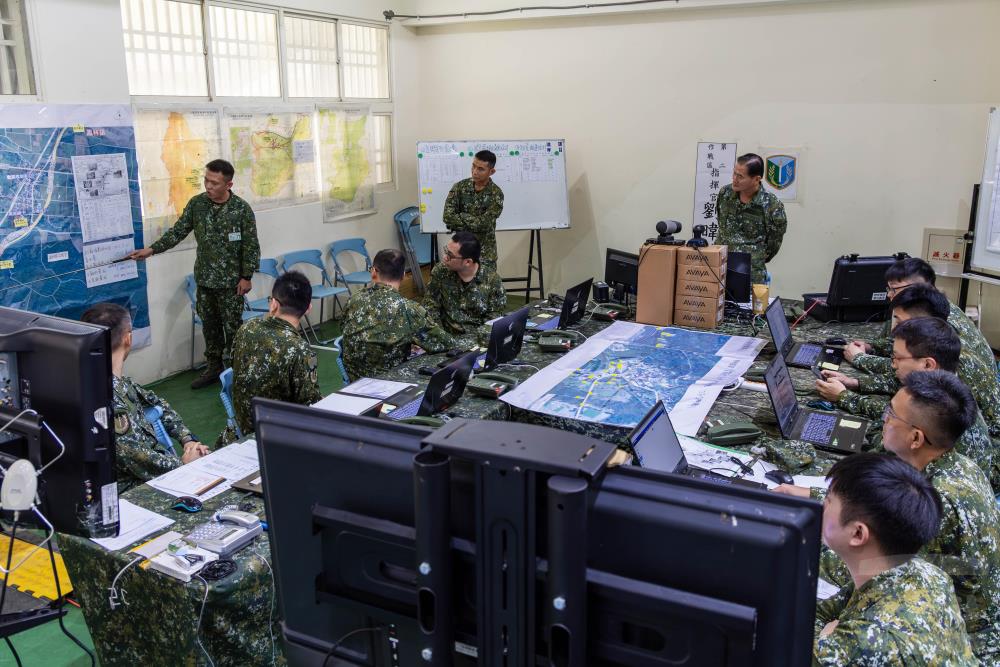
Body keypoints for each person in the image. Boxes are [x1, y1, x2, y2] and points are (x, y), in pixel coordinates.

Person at [783, 372, 1000, 662]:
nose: (884, 417)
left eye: (891, 413)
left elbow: (867, 556)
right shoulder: (956, 469)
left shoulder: (943, 502)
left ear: (916, 437)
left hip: (981, 643)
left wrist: (789, 545)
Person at [818, 284, 1000, 482]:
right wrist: (855, 384)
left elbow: (885, 459)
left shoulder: (944, 408)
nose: (892, 364)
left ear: (928, 364)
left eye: (897, 358)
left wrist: (847, 399)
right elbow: (897, 408)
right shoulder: (940, 385)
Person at [811, 452, 977, 665]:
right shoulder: (925, 573)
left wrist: (825, 637)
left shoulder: (869, 642)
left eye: (827, 502)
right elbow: (820, 611)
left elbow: (792, 652)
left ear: (858, 534)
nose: (820, 507)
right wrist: (825, 633)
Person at [128, 159, 260, 389]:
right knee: (210, 328)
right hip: (205, 281)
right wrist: (152, 249)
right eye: (206, 180)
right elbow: (178, 231)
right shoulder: (197, 205)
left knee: (233, 330)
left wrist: (247, 276)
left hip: (232, 284)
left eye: (214, 183)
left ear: (229, 185)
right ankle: (214, 368)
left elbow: (251, 246)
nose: (208, 186)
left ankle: (237, 374)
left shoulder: (241, 210)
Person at [82, 303, 209, 492]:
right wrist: (185, 464)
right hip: (135, 491)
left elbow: (159, 405)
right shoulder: (105, 400)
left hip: (155, 475)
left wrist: (187, 440)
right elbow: (137, 458)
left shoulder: (117, 383)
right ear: (128, 339)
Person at [844, 256, 994, 371]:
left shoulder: (937, 320)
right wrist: (871, 347)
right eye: (888, 288)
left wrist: (860, 359)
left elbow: (913, 366)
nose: (889, 294)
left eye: (894, 289)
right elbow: (908, 347)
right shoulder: (925, 307)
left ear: (919, 287)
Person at [341, 249, 456, 381]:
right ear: (403, 275)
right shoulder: (409, 309)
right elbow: (447, 343)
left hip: (354, 382)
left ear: (373, 272)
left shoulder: (353, 299)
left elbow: (343, 327)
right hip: (390, 383)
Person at [230, 271, 321, 436]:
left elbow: (234, 365)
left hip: (239, 433)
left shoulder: (246, 328)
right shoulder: (302, 351)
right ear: (308, 308)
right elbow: (310, 407)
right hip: (278, 437)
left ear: (273, 304)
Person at [714, 153, 787, 284]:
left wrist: (756, 256)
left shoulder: (771, 205)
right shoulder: (725, 193)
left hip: (751, 272)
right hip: (720, 265)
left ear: (756, 179)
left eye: (740, 176)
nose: (734, 179)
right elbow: (721, 222)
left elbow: (773, 243)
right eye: (734, 173)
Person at [421, 231, 507, 337]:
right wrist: (441, 335)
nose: (444, 257)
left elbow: (492, 322)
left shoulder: (492, 281)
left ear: (467, 262)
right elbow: (430, 306)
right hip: (445, 337)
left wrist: (467, 343)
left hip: (476, 340)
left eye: (450, 255)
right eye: (446, 251)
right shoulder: (441, 271)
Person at [443, 150, 504, 271]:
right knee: (458, 282)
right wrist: (474, 221)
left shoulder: (496, 194)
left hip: (485, 253)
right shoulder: (459, 187)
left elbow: (484, 224)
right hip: (460, 253)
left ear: (491, 172)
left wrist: (462, 216)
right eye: (473, 166)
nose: (475, 172)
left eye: (481, 169)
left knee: (486, 283)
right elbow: (447, 217)